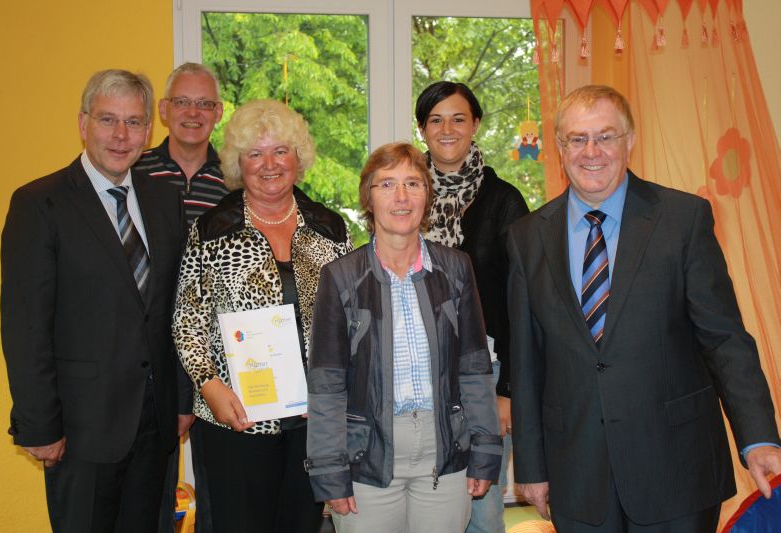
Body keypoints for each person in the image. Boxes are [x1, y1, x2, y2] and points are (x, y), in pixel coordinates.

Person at [507, 84, 781, 532]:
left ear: (630, 141)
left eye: (606, 136)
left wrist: (758, 438)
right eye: (577, 138)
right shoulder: (526, 238)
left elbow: (724, 339)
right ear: (560, 147)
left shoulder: (683, 219)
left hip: (676, 469)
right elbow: (527, 362)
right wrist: (532, 467)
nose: (591, 151)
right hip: (577, 473)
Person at [0, 69, 187, 532]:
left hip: (157, 424)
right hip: (79, 431)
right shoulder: (39, 204)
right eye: (108, 120)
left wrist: (184, 400)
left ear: (149, 130)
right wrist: (39, 426)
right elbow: (26, 326)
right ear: (83, 124)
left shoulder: (165, 200)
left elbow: (176, 310)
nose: (121, 136)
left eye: (134, 122)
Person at [172, 98, 352, 532]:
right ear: (238, 163)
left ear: (298, 157)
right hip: (235, 419)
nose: (269, 164)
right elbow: (186, 320)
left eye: (280, 151)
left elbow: (352, 320)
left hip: (313, 419)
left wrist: (334, 388)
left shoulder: (330, 228)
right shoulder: (212, 230)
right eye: (255, 153)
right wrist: (210, 386)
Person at [305, 142, 503, 533]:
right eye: (387, 184)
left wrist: (485, 450)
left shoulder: (457, 269)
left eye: (413, 183)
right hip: (368, 456)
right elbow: (326, 385)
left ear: (427, 196)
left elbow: (475, 369)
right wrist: (330, 468)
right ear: (368, 197)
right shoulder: (340, 277)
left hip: (445, 452)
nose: (401, 197)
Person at [415, 80, 530, 533]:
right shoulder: (405, 196)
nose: (447, 129)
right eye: (435, 119)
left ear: (476, 124)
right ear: (422, 128)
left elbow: (522, 303)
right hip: (415, 372)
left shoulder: (504, 202)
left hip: (486, 374)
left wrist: (508, 392)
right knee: (425, 502)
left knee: (482, 509)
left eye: (458, 118)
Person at [135, 61, 228, 533]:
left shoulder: (236, 180)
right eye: (183, 102)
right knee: (151, 496)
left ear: (219, 112)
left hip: (219, 355)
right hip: (148, 355)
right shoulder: (134, 173)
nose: (194, 112)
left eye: (205, 103)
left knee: (218, 499)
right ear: (165, 111)